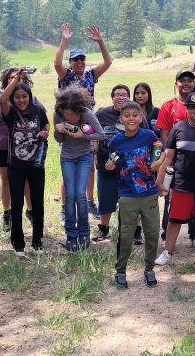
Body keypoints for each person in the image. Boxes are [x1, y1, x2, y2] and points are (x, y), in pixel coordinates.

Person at [54, 22, 113, 221]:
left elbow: (108, 62)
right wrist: (64, 40)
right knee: (68, 166)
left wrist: (101, 42)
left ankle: (89, 202)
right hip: (68, 122)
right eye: (75, 59)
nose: (79, 62)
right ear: (70, 63)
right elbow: (56, 64)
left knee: (90, 166)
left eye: (82, 59)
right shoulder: (66, 75)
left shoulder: (90, 75)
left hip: (88, 123)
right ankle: (64, 207)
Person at [106, 101, 165, 288]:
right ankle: (120, 271)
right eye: (127, 116)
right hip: (127, 195)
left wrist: (157, 163)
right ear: (120, 119)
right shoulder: (115, 141)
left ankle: (149, 269)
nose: (131, 119)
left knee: (152, 232)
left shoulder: (149, 136)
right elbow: (112, 160)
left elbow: (162, 152)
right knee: (126, 235)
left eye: (134, 115)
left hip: (149, 194)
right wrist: (110, 165)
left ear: (141, 117)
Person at [155, 92, 195, 267]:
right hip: (181, 183)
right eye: (192, 107)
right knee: (174, 219)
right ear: (187, 109)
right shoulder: (178, 127)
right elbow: (168, 157)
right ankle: (167, 252)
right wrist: (160, 181)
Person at [0, 68, 50, 257]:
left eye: (24, 96)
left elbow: (46, 124)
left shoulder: (38, 111)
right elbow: (2, 99)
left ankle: (37, 241)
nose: (21, 100)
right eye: (18, 97)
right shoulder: (10, 112)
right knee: (17, 203)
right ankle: (18, 242)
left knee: (37, 203)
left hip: (36, 164)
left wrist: (45, 131)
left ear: (29, 96)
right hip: (16, 166)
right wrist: (16, 80)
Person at [0, 68, 41, 231]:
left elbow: (42, 117)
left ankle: (30, 211)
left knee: (27, 181)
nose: (17, 80)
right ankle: (7, 213)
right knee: (5, 179)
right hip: (3, 146)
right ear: (5, 80)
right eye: (13, 77)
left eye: (21, 77)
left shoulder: (30, 98)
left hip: (25, 148)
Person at [92, 85, 149, 243]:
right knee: (105, 197)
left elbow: (145, 137)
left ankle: (136, 231)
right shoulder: (102, 113)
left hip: (130, 167)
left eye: (124, 94)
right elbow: (92, 129)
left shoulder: (136, 115)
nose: (121, 97)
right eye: (117, 94)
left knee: (132, 198)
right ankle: (103, 228)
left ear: (129, 97)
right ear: (112, 98)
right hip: (106, 165)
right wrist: (94, 144)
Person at [54, 86, 105, 252]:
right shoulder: (59, 113)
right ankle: (71, 235)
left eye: (71, 114)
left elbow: (101, 134)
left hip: (84, 155)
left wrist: (82, 135)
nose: (68, 116)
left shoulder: (87, 113)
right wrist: (58, 130)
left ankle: (84, 233)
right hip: (67, 156)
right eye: (65, 113)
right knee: (70, 195)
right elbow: (58, 139)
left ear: (78, 109)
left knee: (80, 195)